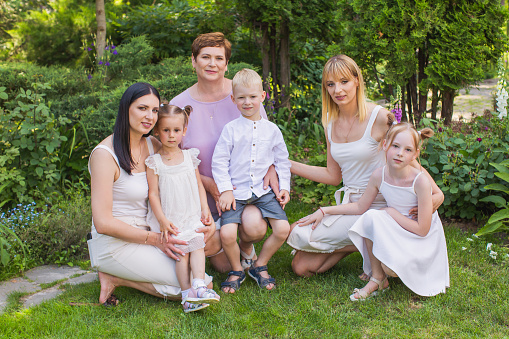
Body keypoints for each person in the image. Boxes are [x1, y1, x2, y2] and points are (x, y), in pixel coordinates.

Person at [286, 55, 444, 278]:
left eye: (344, 82)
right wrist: (288, 164)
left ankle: (376, 239)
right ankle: (368, 245)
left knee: (297, 234)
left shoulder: (379, 117)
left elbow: (408, 158)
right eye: (330, 84)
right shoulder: (329, 123)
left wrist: (438, 193)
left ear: (357, 80)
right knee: (301, 267)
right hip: (354, 206)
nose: (337, 90)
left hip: (382, 207)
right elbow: (333, 176)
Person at [87, 82, 215, 307]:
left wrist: (210, 204)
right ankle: (115, 276)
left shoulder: (152, 144)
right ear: (126, 108)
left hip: (151, 230)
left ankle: (122, 275)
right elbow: (103, 223)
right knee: (186, 286)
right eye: (142, 108)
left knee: (201, 280)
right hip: (116, 242)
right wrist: (156, 240)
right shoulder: (104, 155)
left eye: (155, 110)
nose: (149, 116)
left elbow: (183, 170)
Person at [297, 122, 449, 300]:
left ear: (416, 154)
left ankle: (388, 270)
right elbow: (360, 207)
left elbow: (422, 230)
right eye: (395, 146)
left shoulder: (420, 181)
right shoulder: (379, 175)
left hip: (419, 237)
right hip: (398, 228)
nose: (400, 153)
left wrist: (391, 213)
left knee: (391, 267)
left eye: (408, 150)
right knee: (370, 216)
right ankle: (378, 279)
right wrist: (324, 211)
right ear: (385, 145)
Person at [170, 32, 277, 274]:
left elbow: (265, 138)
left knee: (255, 228)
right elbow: (174, 158)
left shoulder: (244, 94)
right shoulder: (179, 105)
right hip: (200, 195)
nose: (212, 63)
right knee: (223, 266)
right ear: (193, 60)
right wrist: (208, 184)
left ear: (227, 63)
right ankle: (221, 244)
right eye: (205, 57)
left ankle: (246, 245)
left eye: (219, 58)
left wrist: (270, 167)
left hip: (242, 190)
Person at [212, 69, 291, 292]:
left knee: (283, 229)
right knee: (227, 233)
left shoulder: (272, 130)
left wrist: (284, 187)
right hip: (236, 191)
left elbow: (282, 161)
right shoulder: (231, 130)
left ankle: (260, 264)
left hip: (263, 191)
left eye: (253, 96)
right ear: (233, 100)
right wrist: (225, 190)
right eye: (242, 97)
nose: (248, 102)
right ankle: (236, 269)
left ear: (263, 97)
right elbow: (219, 162)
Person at [145, 103, 220, 313]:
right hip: (171, 216)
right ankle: (186, 294)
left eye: (176, 130)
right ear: (157, 131)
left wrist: (205, 208)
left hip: (191, 212)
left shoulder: (189, 157)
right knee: (182, 253)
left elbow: (198, 184)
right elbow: (153, 194)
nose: (171, 135)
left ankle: (199, 285)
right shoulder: (154, 162)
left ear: (184, 131)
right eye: (166, 130)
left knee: (197, 245)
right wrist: (161, 219)